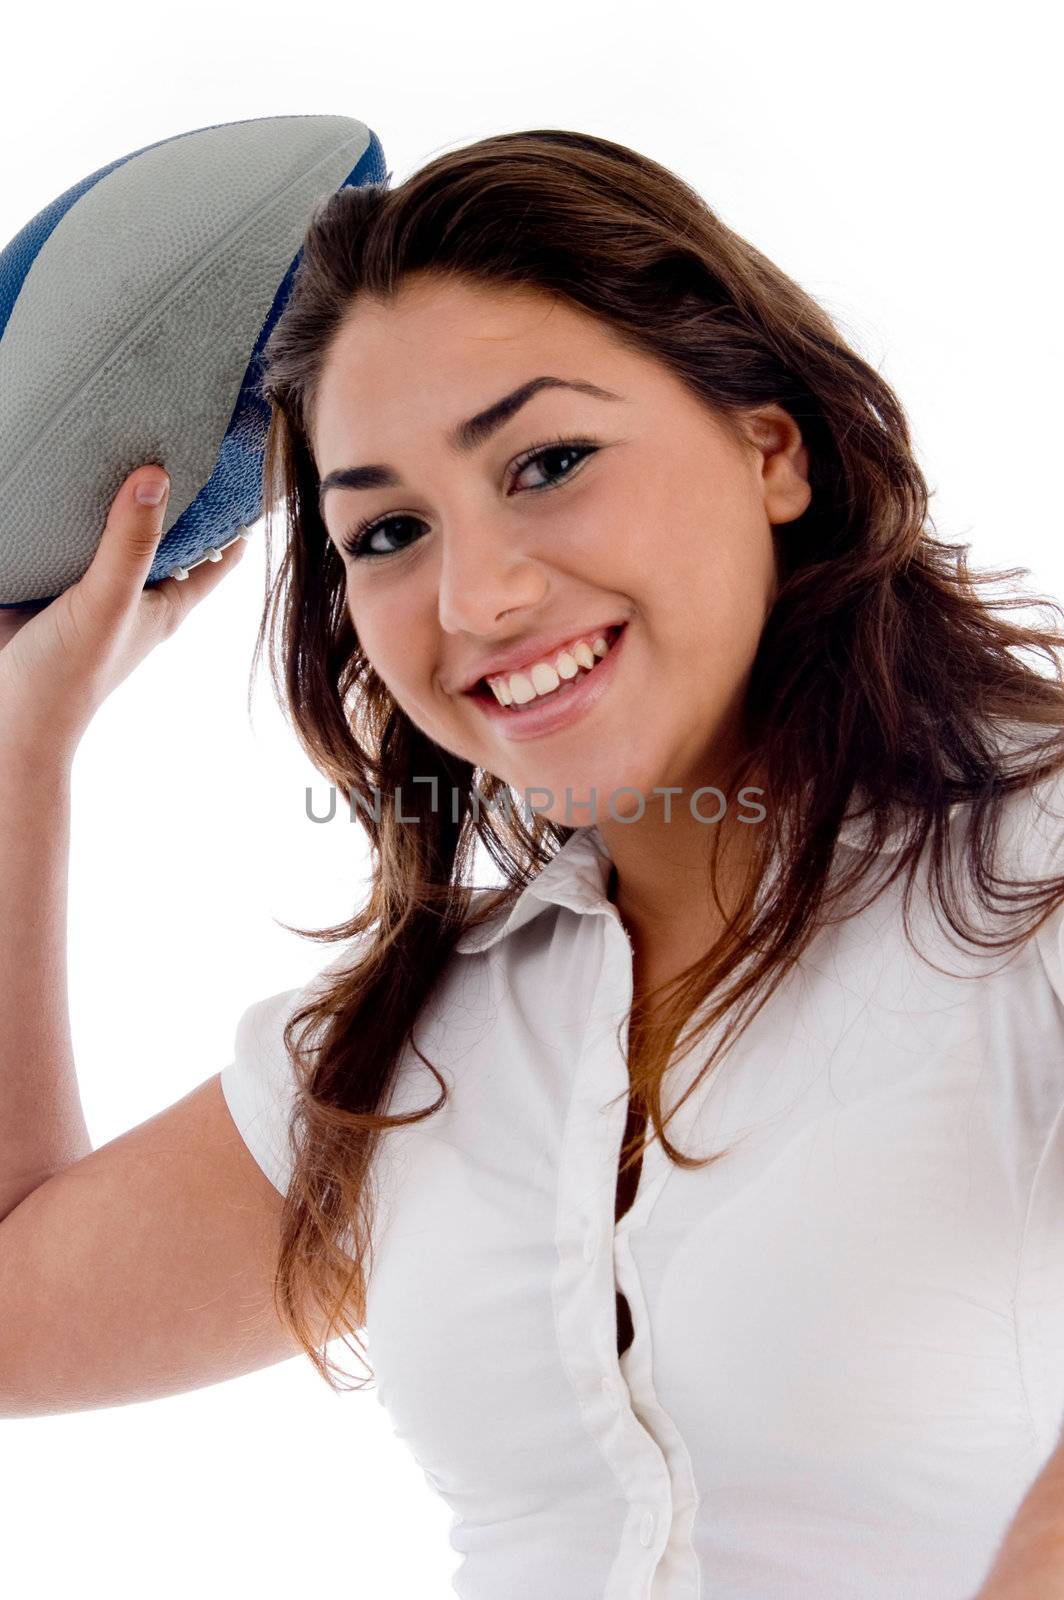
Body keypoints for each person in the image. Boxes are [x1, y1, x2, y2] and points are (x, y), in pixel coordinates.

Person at [2, 128, 1064, 1599]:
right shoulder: (436, 1036)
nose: (479, 594)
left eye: (549, 461)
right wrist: (20, 750)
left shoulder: (1037, 869)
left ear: (773, 446)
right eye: (386, 530)